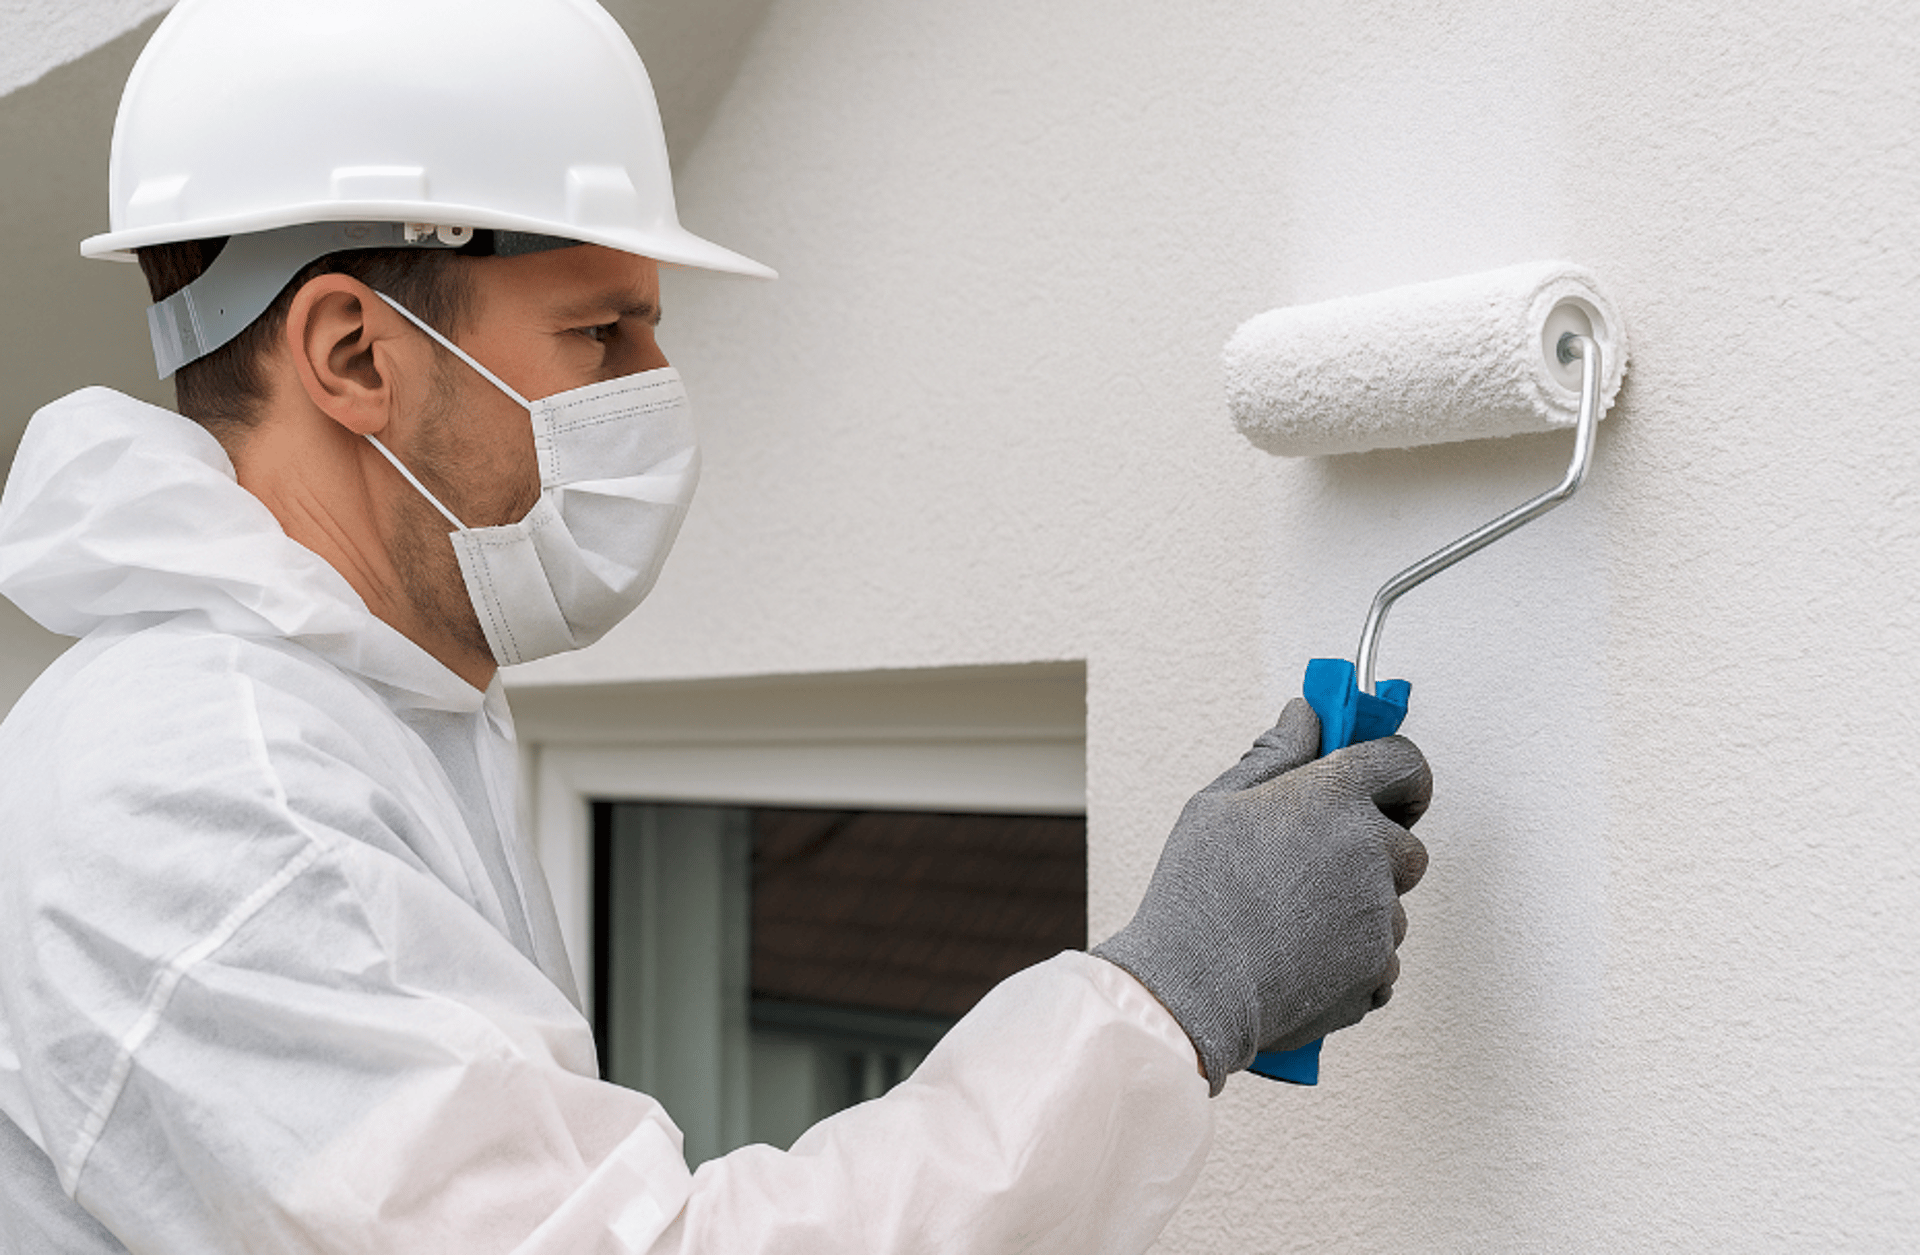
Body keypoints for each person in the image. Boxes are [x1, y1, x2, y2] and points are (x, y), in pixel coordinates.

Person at [0, 1, 1433, 1251]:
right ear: (354, 354)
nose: (657, 387)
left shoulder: (362, 712)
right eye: (599, 333)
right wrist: (1170, 998)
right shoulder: (209, 801)